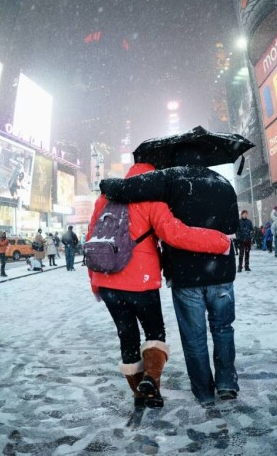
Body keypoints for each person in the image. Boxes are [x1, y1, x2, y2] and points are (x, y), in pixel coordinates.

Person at [100, 147, 240, 407]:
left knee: (193, 336)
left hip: (185, 275)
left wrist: (106, 184)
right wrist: (217, 238)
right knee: (223, 329)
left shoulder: (170, 178)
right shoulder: (223, 183)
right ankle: (227, 384)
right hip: (221, 272)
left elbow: (127, 190)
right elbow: (233, 227)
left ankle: (203, 391)